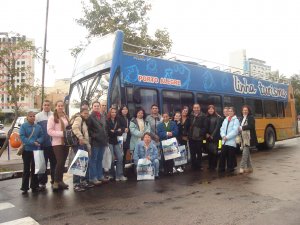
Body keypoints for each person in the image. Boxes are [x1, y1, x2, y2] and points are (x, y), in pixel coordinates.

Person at [47, 100, 70, 190]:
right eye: (59, 106)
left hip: (66, 143)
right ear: (56, 107)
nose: (60, 107)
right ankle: (55, 182)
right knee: (59, 162)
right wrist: (62, 133)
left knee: (63, 163)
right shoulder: (52, 117)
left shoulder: (65, 116)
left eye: (62, 106)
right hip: (57, 143)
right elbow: (49, 131)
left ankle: (60, 181)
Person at [20, 111, 44, 195]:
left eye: (34, 116)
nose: (32, 117)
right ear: (27, 117)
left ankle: (34, 186)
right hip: (27, 150)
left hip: (36, 151)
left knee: (35, 169)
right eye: (30, 116)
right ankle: (25, 187)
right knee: (26, 169)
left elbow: (42, 136)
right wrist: (33, 142)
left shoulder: (38, 127)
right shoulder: (23, 126)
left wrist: (38, 141)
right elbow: (22, 137)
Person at [87, 101, 109, 185]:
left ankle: (100, 176)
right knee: (93, 160)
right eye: (95, 106)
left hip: (103, 142)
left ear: (100, 107)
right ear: (92, 107)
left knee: (100, 160)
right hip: (95, 142)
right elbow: (88, 130)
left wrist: (106, 138)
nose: (96, 107)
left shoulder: (102, 116)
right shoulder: (90, 117)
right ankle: (93, 177)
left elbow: (105, 128)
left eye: (97, 106)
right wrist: (95, 136)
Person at [35, 100, 56, 189]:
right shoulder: (38, 116)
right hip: (42, 145)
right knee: (43, 164)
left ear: (50, 106)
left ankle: (54, 181)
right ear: (42, 106)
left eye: (48, 105)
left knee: (54, 163)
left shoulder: (54, 115)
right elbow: (35, 130)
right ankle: (42, 182)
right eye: (45, 105)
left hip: (53, 144)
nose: (46, 106)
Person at [71, 108, 92, 192]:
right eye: (85, 113)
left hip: (83, 143)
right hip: (79, 144)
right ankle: (76, 183)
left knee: (83, 162)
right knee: (79, 163)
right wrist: (80, 137)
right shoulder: (79, 118)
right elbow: (74, 127)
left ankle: (83, 181)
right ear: (81, 113)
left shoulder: (83, 120)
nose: (86, 115)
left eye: (87, 113)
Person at [107, 107, 127, 181]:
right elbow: (108, 132)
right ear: (110, 113)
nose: (114, 113)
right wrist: (116, 131)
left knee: (120, 157)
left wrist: (114, 131)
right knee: (111, 158)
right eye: (112, 112)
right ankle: (112, 174)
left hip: (116, 141)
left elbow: (121, 130)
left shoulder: (118, 120)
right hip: (109, 142)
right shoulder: (107, 120)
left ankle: (120, 175)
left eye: (115, 112)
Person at [219, 107, 240, 173]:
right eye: (229, 111)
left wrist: (227, 137)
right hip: (224, 141)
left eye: (231, 111)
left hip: (231, 141)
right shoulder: (226, 119)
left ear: (234, 112)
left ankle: (230, 168)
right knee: (222, 155)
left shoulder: (236, 120)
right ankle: (221, 168)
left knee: (230, 156)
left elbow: (235, 131)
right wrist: (223, 135)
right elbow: (222, 129)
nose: (230, 112)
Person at [239, 105, 257, 174]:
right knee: (247, 153)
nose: (245, 111)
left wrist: (242, 128)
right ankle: (250, 168)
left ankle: (242, 167)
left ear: (248, 111)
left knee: (245, 153)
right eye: (243, 110)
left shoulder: (251, 117)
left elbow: (251, 126)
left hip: (248, 138)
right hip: (243, 138)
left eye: (246, 110)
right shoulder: (242, 118)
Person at [188, 104, 207, 171]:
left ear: (200, 108)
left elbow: (205, 127)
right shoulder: (190, 116)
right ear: (193, 108)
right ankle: (193, 165)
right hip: (191, 137)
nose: (196, 109)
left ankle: (199, 165)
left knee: (199, 152)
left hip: (199, 138)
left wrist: (199, 133)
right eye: (195, 108)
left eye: (197, 107)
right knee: (192, 152)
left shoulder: (204, 116)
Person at [206, 105, 222, 171]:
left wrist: (212, 135)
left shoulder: (218, 117)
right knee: (209, 152)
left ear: (214, 109)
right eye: (209, 109)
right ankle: (210, 165)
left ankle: (214, 166)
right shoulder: (207, 117)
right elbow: (206, 126)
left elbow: (217, 127)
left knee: (215, 152)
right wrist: (206, 134)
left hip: (215, 137)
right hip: (208, 137)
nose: (210, 110)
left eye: (212, 109)